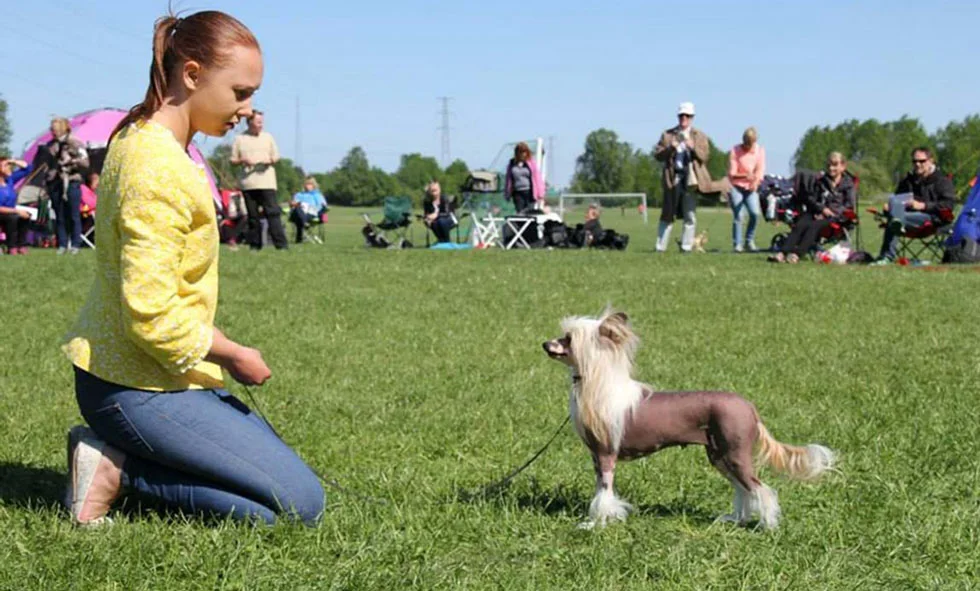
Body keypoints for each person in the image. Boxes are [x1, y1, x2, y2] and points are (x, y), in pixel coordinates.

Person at [61, 10, 324, 527]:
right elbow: (151, 314)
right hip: (131, 387)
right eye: (240, 92)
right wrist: (234, 354)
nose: (246, 109)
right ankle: (117, 466)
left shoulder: (144, 138)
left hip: (163, 375)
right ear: (193, 75)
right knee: (298, 507)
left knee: (279, 485)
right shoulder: (154, 165)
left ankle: (129, 458)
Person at [873, 147, 956, 264]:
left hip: (931, 220)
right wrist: (890, 206)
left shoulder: (942, 181)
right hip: (908, 217)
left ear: (931, 161)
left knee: (895, 219)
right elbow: (897, 199)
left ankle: (886, 256)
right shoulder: (907, 181)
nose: (917, 164)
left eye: (922, 161)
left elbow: (949, 204)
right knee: (895, 212)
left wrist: (923, 206)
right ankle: (896, 224)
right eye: (914, 161)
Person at [769, 152, 856, 263]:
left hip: (835, 217)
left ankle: (797, 254)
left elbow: (849, 205)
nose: (831, 168)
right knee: (800, 224)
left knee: (813, 226)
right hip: (816, 211)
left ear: (843, 166)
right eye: (829, 165)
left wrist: (831, 212)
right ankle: (782, 253)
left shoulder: (848, 184)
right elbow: (811, 199)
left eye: (835, 165)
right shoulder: (821, 181)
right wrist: (822, 209)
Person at [653, 102, 715, 252]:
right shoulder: (668, 135)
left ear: (692, 117)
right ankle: (660, 247)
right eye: (681, 115)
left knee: (689, 214)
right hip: (672, 178)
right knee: (667, 214)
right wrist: (670, 148)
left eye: (687, 116)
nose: (684, 118)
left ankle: (686, 247)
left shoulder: (699, 135)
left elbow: (705, 156)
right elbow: (658, 155)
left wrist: (693, 147)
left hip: (691, 179)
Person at [231, 110, 287, 250]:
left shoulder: (268, 137)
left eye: (262, 122)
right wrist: (242, 160)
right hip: (249, 183)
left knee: (272, 213)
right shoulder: (240, 139)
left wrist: (269, 160)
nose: (261, 124)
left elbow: (276, 156)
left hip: (267, 182)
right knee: (252, 216)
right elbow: (233, 160)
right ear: (250, 122)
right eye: (258, 122)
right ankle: (255, 245)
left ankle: (281, 245)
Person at [45, 117, 89, 254]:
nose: (53, 131)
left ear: (63, 128)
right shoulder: (50, 145)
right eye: (52, 129)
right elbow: (48, 164)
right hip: (55, 182)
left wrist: (71, 162)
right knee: (59, 215)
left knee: (73, 214)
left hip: (72, 181)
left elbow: (86, 163)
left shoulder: (75, 143)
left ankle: (75, 244)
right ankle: (62, 244)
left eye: (55, 129)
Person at [727, 127, 766, 252]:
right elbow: (732, 173)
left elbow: (760, 170)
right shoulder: (735, 150)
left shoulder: (759, 151)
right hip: (737, 186)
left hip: (751, 188)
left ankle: (749, 241)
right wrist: (745, 175)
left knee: (755, 214)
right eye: (746, 143)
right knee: (739, 215)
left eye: (751, 143)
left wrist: (756, 182)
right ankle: (737, 244)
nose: (748, 146)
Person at [0, 157, 33, 255]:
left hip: (10, 212)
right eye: (6, 166)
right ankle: (11, 246)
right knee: (13, 218)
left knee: (25, 216)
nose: (10, 168)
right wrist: (17, 211)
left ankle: (21, 245)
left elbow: (28, 168)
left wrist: (12, 161)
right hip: (3, 213)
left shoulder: (9, 180)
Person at [504, 142, 545, 214]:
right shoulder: (512, 164)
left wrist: (540, 194)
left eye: (524, 152)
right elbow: (508, 180)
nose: (523, 154)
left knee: (529, 214)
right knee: (520, 213)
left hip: (529, 193)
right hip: (517, 193)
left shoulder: (531, 163)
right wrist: (507, 193)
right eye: (521, 152)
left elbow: (537, 178)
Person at [289, 176, 328, 244]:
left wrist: (309, 207)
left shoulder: (317, 195)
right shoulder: (299, 194)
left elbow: (323, 206)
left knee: (299, 217)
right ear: (304, 185)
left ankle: (299, 240)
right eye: (306, 184)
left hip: (310, 212)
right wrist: (293, 204)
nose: (308, 186)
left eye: (310, 184)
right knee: (298, 209)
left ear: (314, 185)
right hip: (298, 212)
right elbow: (293, 205)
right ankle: (304, 223)